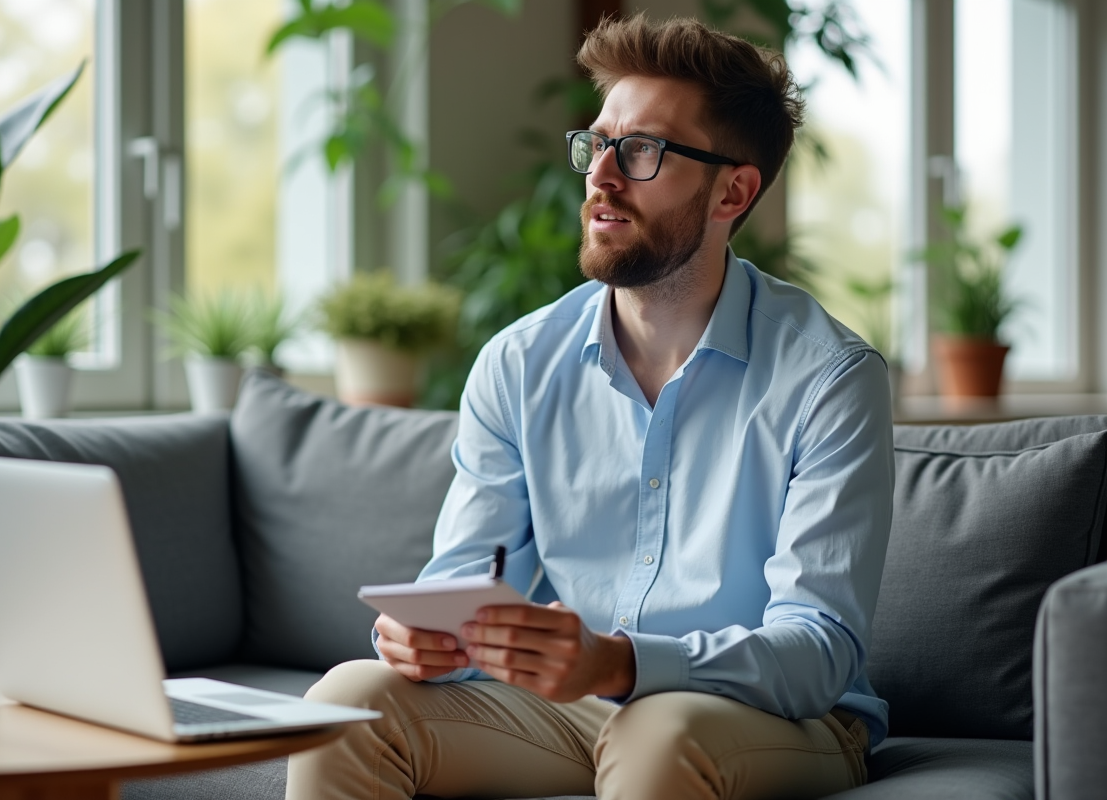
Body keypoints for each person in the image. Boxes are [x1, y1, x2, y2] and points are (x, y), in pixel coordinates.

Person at [287, 13, 893, 800]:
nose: (602, 176)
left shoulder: (831, 377)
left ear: (733, 191)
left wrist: (623, 663)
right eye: (598, 143)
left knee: (660, 731)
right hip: (580, 710)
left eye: (643, 151)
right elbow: (465, 580)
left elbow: (817, 651)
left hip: (777, 718)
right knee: (347, 703)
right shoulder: (518, 362)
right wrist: (423, 638)